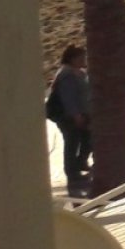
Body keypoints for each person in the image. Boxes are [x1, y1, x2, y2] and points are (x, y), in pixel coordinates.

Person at [46, 44, 93, 197]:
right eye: (81, 57)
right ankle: (72, 173)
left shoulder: (78, 72)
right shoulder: (67, 74)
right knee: (72, 142)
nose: (83, 60)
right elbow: (69, 97)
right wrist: (76, 115)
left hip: (81, 114)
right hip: (68, 116)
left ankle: (80, 163)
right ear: (72, 59)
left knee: (87, 139)